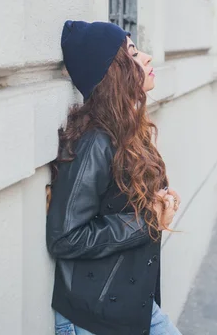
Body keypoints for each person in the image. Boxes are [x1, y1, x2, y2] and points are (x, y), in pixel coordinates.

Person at [47, 20, 183, 335]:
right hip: (95, 318)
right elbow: (64, 237)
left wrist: (159, 202)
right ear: (113, 70)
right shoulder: (95, 141)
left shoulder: (128, 132)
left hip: (132, 309)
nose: (148, 58)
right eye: (134, 53)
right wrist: (147, 218)